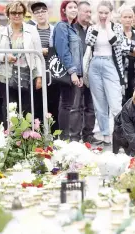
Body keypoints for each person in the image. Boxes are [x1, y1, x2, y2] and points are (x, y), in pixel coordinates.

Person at [0, 1, 42, 124]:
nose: (17, 15)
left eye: (20, 12)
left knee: (26, 109)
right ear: (8, 14)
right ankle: (9, 138)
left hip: (26, 75)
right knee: (9, 108)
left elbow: (38, 54)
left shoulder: (32, 30)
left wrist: (39, 76)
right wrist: (5, 57)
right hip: (6, 75)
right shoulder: (1, 32)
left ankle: (26, 139)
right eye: (13, 12)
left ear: (24, 14)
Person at [85, 0, 124, 145]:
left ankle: (121, 133)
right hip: (95, 64)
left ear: (111, 13)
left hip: (110, 64)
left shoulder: (116, 27)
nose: (103, 15)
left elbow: (115, 42)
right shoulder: (92, 28)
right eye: (100, 12)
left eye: (106, 13)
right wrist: (97, 27)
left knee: (115, 103)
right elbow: (89, 42)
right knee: (100, 104)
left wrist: (108, 26)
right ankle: (105, 134)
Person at [70, 1, 101, 144]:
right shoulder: (72, 29)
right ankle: (75, 136)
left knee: (91, 106)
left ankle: (88, 134)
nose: (88, 14)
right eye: (85, 11)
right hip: (77, 73)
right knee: (76, 106)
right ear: (78, 12)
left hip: (92, 73)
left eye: (90, 12)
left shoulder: (94, 29)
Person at [53, 0, 84, 140]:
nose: (73, 9)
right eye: (69, 7)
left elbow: (78, 54)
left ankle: (65, 136)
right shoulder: (61, 26)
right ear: (63, 10)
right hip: (66, 72)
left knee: (69, 104)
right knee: (65, 104)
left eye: (75, 7)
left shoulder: (73, 28)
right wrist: (72, 72)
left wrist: (80, 74)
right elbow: (63, 51)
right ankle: (63, 137)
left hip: (74, 72)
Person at [30, 1, 57, 127]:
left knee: (53, 105)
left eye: (43, 11)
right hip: (36, 73)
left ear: (48, 12)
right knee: (37, 104)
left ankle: (53, 136)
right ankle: (39, 133)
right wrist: (40, 51)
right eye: (37, 12)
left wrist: (49, 51)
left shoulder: (54, 30)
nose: (40, 14)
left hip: (52, 73)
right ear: (33, 15)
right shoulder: (30, 31)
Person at [120, 6, 135, 102]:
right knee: (122, 100)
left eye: (130, 17)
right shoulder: (117, 33)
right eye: (125, 17)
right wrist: (133, 50)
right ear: (121, 18)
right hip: (121, 71)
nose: (128, 20)